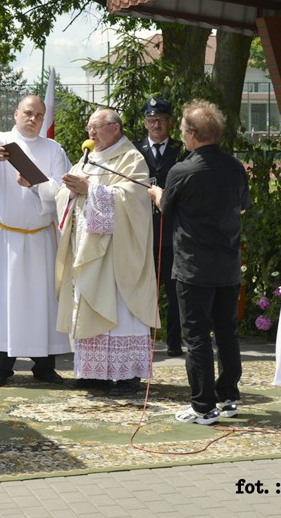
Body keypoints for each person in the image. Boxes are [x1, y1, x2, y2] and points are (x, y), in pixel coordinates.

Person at [149, 100, 249, 425]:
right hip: (228, 265)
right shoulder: (235, 167)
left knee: (196, 337)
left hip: (194, 267)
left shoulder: (182, 170)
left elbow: (166, 206)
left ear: (192, 135)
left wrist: (155, 194)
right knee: (226, 333)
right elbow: (243, 206)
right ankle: (229, 395)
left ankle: (203, 406)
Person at [0, 94, 71, 387]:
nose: (34, 119)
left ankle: (44, 365)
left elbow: (62, 193)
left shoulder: (53, 149)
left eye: (39, 115)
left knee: (41, 302)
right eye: (28, 113)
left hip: (39, 239)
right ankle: (0, 367)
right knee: (1, 303)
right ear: (15, 113)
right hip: (3, 237)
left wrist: (36, 185)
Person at [56, 108, 159, 396]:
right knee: (88, 300)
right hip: (87, 246)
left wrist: (92, 190)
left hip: (117, 251)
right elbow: (66, 194)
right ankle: (94, 373)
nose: (91, 133)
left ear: (115, 129)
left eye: (96, 127)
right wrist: (70, 189)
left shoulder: (130, 158)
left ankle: (128, 375)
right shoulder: (87, 158)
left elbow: (135, 198)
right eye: (89, 127)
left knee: (121, 309)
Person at [134, 97, 184, 357]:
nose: (156, 125)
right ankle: (142, 341)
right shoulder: (134, 151)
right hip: (143, 232)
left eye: (161, 120)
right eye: (152, 120)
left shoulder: (182, 150)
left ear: (170, 123)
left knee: (175, 291)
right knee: (144, 290)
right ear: (145, 123)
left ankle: (174, 342)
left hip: (172, 232)